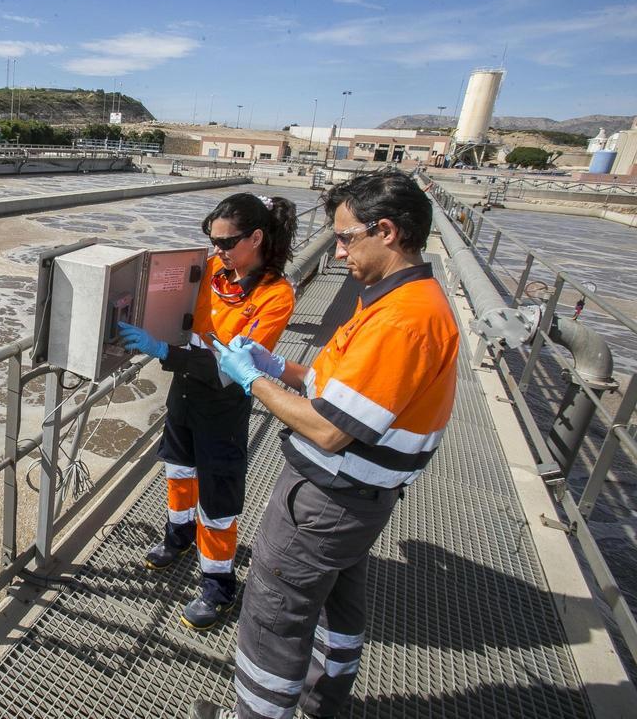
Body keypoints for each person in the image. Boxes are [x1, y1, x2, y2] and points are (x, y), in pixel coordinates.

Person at [191, 172, 459, 719]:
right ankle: (319, 705)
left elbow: (328, 429)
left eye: (344, 238)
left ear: (385, 231)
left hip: (329, 500)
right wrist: (281, 367)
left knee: (274, 617)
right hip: (357, 501)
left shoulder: (401, 320)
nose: (336, 252)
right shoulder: (404, 300)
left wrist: (251, 379)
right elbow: (344, 391)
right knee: (336, 609)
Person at [117, 192, 298, 631]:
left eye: (225, 243)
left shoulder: (276, 295)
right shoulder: (217, 269)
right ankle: (177, 537)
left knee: (217, 499)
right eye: (212, 243)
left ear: (256, 237)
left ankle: (218, 584)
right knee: (178, 470)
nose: (216, 252)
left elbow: (233, 369)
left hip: (223, 401)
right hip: (184, 391)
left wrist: (162, 349)